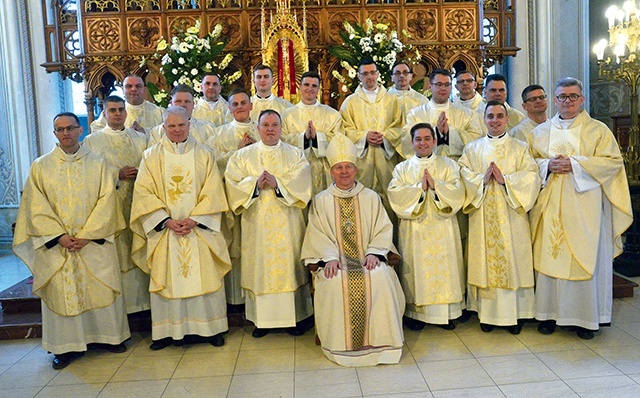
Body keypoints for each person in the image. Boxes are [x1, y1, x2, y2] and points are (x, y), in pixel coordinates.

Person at [13, 112, 129, 370]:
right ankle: (65, 347)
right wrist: (59, 236)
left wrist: (88, 234)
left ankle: (107, 338)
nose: (65, 133)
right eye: (59, 129)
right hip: (58, 245)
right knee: (62, 292)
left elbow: (107, 200)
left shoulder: (98, 163)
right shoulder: (40, 166)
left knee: (97, 285)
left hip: (92, 242)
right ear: (54, 133)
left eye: (70, 128)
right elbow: (35, 206)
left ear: (80, 130)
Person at [527, 77, 633, 340]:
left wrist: (575, 164)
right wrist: (546, 167)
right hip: (550, 204)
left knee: (583, 256)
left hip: (584, 204)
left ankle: (585, 320)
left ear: (582, 99)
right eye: (562, 96)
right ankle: (548, 316)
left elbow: (612, 163)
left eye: (573, 96)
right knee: (549, 254)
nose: (568, 101)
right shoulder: (538, 133)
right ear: (555, 99)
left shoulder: (598, 131)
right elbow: (527, 165)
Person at [130, 106, 232, 350]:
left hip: (198, 230)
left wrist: (195, 219)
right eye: (171, 126)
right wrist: (165, 220)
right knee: (168, 276)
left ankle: (211, 329)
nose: (176, 130)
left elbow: (213, 191)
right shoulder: (151, 157)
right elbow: (142, 192)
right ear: (163, 127)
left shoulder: (205, 155)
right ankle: (167, 332)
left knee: (204, 276)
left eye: (181, 125)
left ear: (190, 124)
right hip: (166, 230)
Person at [301, 134, 405, 366]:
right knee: (335, 279)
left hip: (368, 258)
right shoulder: (321, 200)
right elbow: (317, 233)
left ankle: (383, 346)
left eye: (348, 167)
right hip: (335, 262)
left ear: (356, 170)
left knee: (380, 276)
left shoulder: (371, 198)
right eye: (339, 168)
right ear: (332, 172)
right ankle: (340, 346)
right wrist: (328, 258)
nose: (344, 172)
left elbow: (382, 228)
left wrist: (375, 253)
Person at [225, 109, 313, 338]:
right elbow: (232, 181)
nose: (270, 129)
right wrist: (254, 184)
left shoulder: (294, 154)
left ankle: (294, 319)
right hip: (257, 224)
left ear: (281, 128)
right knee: (261, 268)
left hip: (288, 223)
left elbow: (303, 181)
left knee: (289, 268)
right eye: (266, 125)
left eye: (275, 125)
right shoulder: (243, 156)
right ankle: (262, 321)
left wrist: (278, 184)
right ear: (258, 128)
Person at [458, 101, 540, 334]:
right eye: (490, 116)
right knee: (485, 260)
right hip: (482, 213)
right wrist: (480, 181)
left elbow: (532, 176)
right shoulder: (472, 149)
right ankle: (488, 315)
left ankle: (515, 315)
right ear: (484, 120)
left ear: (506, 119)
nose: (494, 120)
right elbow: (463, 174)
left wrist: (507, 181)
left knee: (513, 258)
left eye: (499, 116)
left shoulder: (519, 147)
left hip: (512, 215)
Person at [388, 123, 465, 331]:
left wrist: (436, 186)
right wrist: (418, 190)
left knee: (445, 267)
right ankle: (416, 314)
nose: (423, 143)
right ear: (412, 143)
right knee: (417, 268)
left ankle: (446, 314)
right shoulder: (402, 168)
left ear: (435, 140)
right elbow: (395, 194)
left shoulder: (449, 165)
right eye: (418, 139)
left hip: (443, 226)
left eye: (427, 138)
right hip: (415, 229)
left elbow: (458, 192)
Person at [84, 95, 150, 314]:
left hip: (139, 203)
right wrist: (117, 174)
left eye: (121, 109)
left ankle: (144, 305)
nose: (118, 114)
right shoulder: (93, 141)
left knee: (139, 246)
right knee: (119, 253)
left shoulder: (139, 138)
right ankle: (124, 308)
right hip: (113, 205)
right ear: (104, 113)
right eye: (112, 110)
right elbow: (91, 173)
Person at [204, 88, 259, 306]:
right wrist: (237, 152)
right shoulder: (219, 134)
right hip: (230, 197)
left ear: (251, 105)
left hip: (256, 201)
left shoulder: (264, 128)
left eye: (243, 103)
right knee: (235, 246)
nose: (239, 108)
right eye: (234, 104)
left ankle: (254, 299)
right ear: (229, 109)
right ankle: (235, 300)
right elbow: (212, 164)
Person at [340, 59, 403, 214]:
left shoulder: (391, 100)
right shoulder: (350, 102)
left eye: (373, 72)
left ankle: (390, 237)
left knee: (389, 201)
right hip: (362, 161)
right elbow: (344, 130)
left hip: (385, 158)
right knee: (363, 204)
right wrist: (364, 137)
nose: (370, 77)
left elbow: (399, 127)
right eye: (365, 73)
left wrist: (385, 137)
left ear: (378, 74)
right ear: (359, 76)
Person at [281, 71, 343, 196]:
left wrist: (317, 137)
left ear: (319, 89)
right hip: (295, 171)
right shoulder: (287, 115)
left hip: (323, 170)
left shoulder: (332, 114)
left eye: (314, 86)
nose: (310, 89)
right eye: (306, 85)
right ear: (300, 87)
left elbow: (339, 141)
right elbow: (282, 140)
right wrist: (304, 137)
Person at [404, 68, 483, 160]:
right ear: (430, 86)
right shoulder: (415, 114)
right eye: (439, 84)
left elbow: (476, 142)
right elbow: (407, 144)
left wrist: (450, 133)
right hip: (425, 167)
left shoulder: (467, 114)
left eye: (447, 85)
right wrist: (436, 132)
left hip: (457, 168)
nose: (443, 88)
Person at [90, 75, 164, 135]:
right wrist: (120, 132)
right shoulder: (112, 111)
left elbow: (166, 134)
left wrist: (145, 132)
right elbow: (96, 130)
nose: (134, 89)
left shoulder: (159, 112)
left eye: (138, 86)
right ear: (122, 89)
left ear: (144, 90)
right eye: (129, 86)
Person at [148, 84, 216, 146]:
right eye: (178, 101)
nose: (183, 105)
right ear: (171, 104)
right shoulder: (157, 133)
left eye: (187, 101)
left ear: (193, 105)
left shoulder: (208, 129)